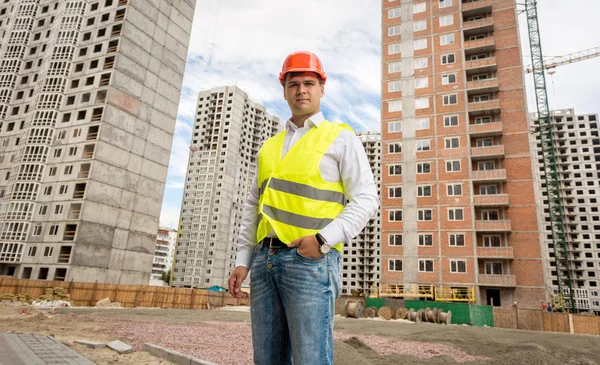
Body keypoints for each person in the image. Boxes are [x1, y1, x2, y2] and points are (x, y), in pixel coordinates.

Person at [227, 51, 379, 365]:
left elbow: (366, 199)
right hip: (264, 260)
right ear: (284, 90)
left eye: (309, 82)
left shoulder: (341, 139)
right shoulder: (269, 146)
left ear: (322, 88)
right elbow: (254, 205)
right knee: (267, 359)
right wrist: (244, 259)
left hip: (310, 263)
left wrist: (322, 241)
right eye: (293, 83)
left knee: (311, 359)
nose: (301, 90)